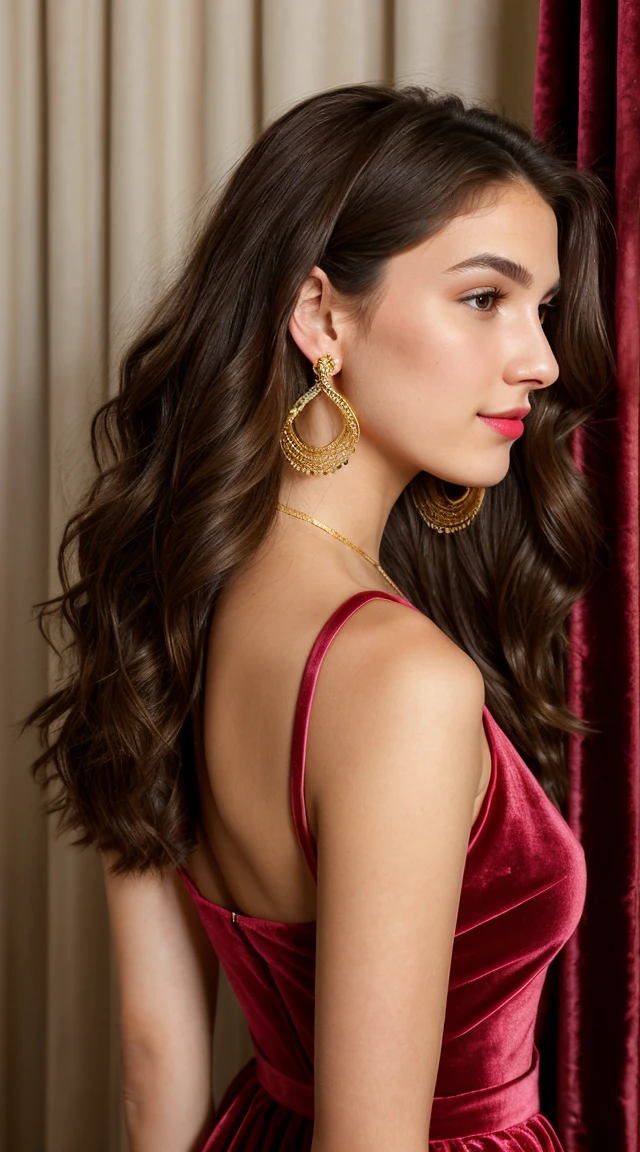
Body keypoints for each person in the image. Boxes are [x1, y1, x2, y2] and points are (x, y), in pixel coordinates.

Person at [23, 83, 614, 1152]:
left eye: (540, 309)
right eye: (485, 299)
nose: (541, 360)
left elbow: (157, 1067)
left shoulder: (169, 602)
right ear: (320, 315)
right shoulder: (403, 680)